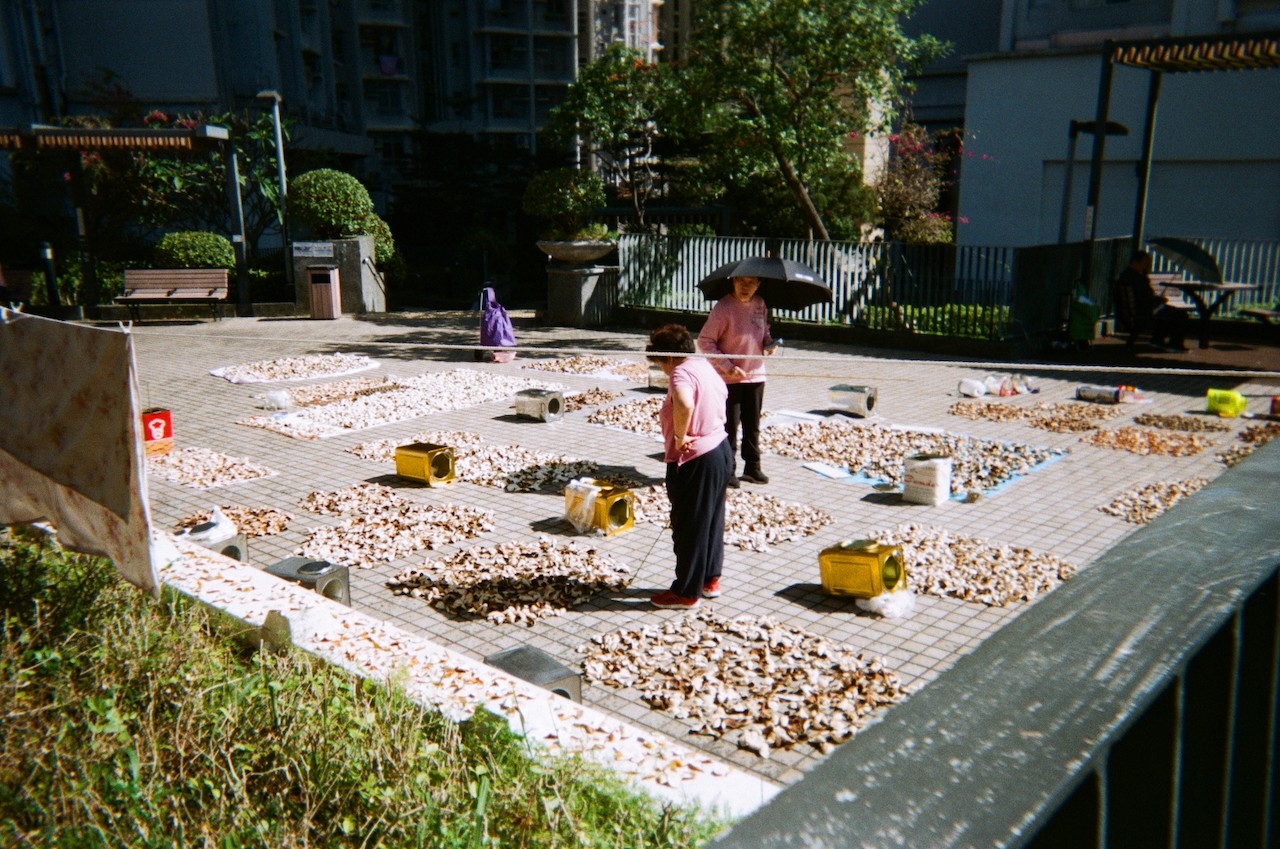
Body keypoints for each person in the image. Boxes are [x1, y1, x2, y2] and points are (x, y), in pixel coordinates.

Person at [646, 323, 733, 610]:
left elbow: (684, 402)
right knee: (711, 519)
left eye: (659, 361)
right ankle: (709, 579)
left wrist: (681, 435)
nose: (661, 368)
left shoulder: (680, 371)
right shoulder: (703, 365)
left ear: (668, 357)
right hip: (720, 449)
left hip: (696, 458)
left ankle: (686, 591)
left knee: (690, 525)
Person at [697, 275, 777, 486]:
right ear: (732, 282)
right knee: (729, 426)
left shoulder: (760, 303)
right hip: (729, 379)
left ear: (759, 285)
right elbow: (705, 342)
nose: (746, 286)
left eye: (751, 282)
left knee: (753, 425)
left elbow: (763, 331)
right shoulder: (723, 307)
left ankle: (753, 467)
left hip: (756, 374)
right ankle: (727, 470)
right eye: (741, 281)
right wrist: (728, 368)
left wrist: (769, 343)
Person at [1115, 250, 1188, 352]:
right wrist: (1159, 300)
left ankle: (1159, 340)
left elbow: (1143, 296)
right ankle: (1173, 343)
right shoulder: (1137, 278)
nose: (1145, 266)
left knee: (1172, 313)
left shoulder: (1127, 275)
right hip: (1143, 313)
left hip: (1135, 312)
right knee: (1180, 315)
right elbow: (1145, 298)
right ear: (1135, 262)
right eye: (1144, 263)